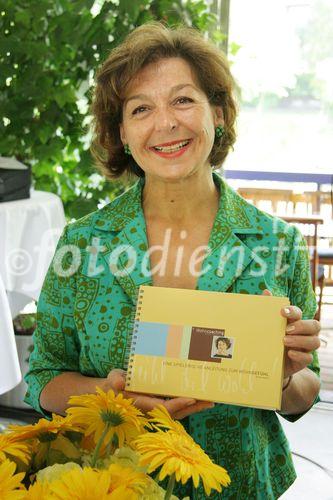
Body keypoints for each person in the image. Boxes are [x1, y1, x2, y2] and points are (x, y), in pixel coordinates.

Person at [25, 22, 321, 499]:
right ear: (121, 132)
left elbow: (307, 390)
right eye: (142, 108)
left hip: (241, 485)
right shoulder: (83, 244)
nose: (165, 123)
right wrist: (108, 396)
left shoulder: (277, 243)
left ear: (218, 114)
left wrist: (284, 375)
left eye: (183, 100)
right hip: (110, 483)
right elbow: (42, 379)